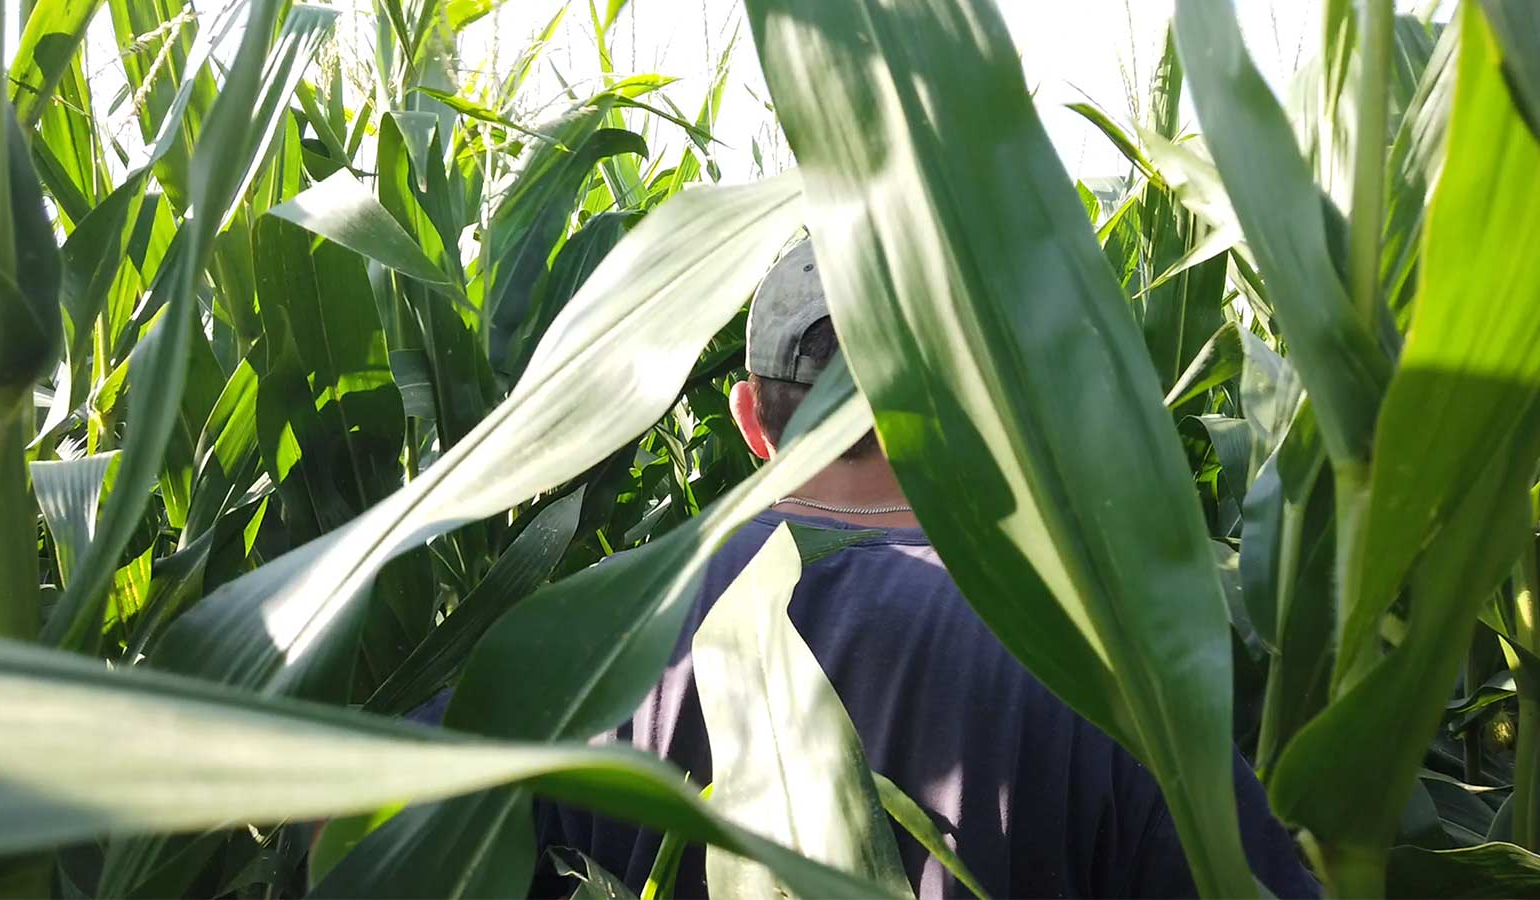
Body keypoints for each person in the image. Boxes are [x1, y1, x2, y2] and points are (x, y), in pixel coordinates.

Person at [422, 239, 1320, 898]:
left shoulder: (593, 643)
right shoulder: (1094, 659)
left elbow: (365, 835)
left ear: (749, 417)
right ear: (958, 409)